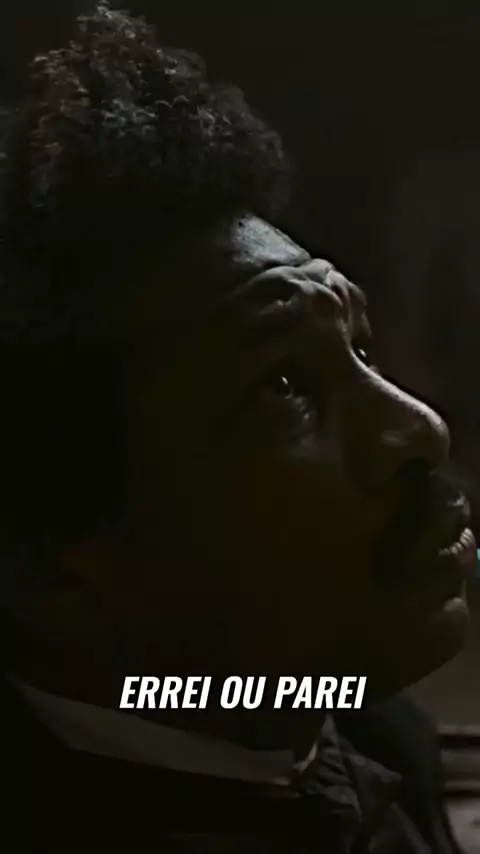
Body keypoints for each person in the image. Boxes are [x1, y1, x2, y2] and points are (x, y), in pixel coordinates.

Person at [0, 4, 474, 850]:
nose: (421, 430)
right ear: (51, 570)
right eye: (283, 389)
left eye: (361, 350)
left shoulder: (331, 712)